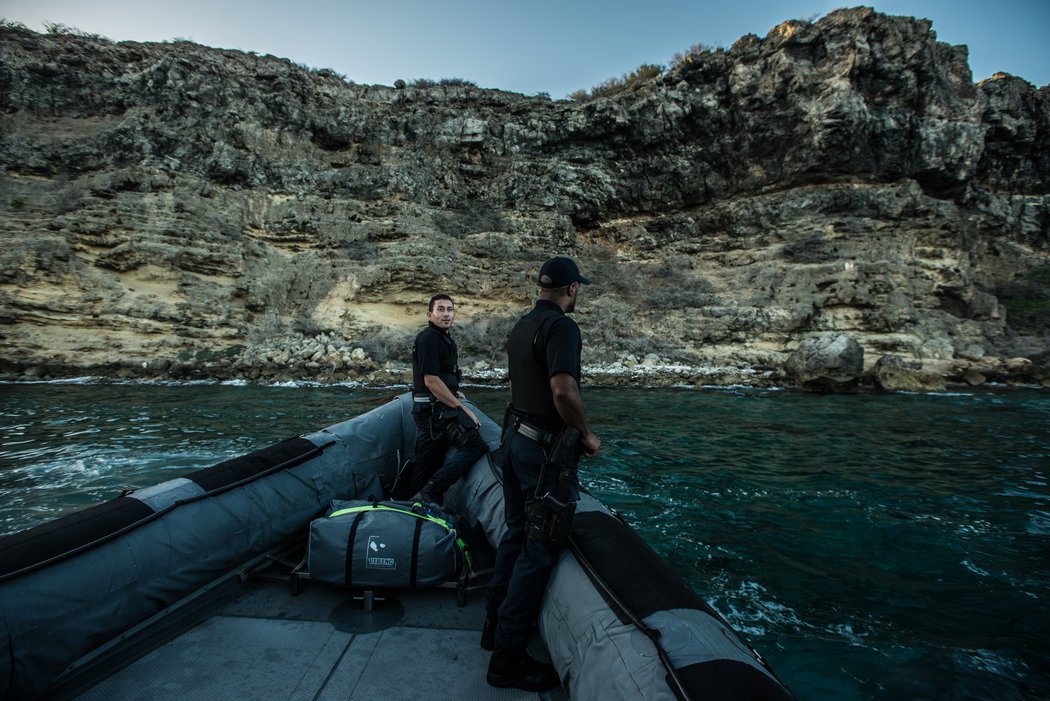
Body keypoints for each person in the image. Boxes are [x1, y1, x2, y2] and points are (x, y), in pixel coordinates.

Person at [484, 257, 601, 692]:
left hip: (512, 441)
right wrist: (585, 434)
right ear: (572, 290)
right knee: (538, 549)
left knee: (515, 532)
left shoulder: (520, 326)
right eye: (578, 289)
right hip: (542, 454)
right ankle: (507, 659)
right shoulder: (563, 328)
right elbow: (562, 389)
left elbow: (516, 387)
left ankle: (492, 629)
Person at [393, 293, 487, 505]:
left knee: (428, 461)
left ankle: (414, 497)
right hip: (434, 412)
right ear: (430, 314)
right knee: (475, 446)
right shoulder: (429, 338)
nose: (446, 314)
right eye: (441, 310)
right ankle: (431, 491)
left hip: (436, 408)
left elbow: (441, 375)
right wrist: (462, 408)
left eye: (449, 309)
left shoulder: (442, 339)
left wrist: (453, 392)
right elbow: (431, 381)